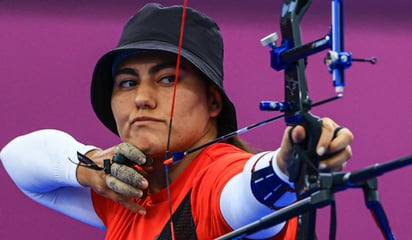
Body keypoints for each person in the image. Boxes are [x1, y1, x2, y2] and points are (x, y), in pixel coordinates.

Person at [0, 3, 353, 240]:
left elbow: (244, 192)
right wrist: (89, 168)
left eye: (167, 78)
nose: (142, 97)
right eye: (127, 82)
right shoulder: (127, 191)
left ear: (212, 101)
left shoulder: (215, 178)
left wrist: (286, 166)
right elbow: (16, 157)